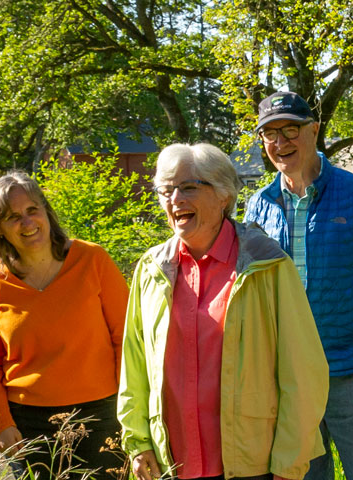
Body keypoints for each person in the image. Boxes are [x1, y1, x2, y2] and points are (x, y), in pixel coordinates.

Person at [118, 143, 330, 480]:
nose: (175, 199)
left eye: (189, 187)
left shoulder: (267, 265)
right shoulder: (151, 268)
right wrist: (138, 441)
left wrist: (290, 463)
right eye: (166, 189)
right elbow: (134, 364)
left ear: (223, 196)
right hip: (172, 464)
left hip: (253, 465)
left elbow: (303, 373)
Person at [241, 91, 353, 480]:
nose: (280, 143)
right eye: (270, 134)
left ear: (314, 130)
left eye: (290, 130)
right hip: (287, 375)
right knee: (304, 474)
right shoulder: (258, 205)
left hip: (350, 367)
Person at [0, 171, 128, 479]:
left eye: (33, 210)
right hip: (28, 426)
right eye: (12, 217)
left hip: (101, 418)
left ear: (46, 212)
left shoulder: (92, 259)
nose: (27, 223)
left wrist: (130, 411)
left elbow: (126, 339)